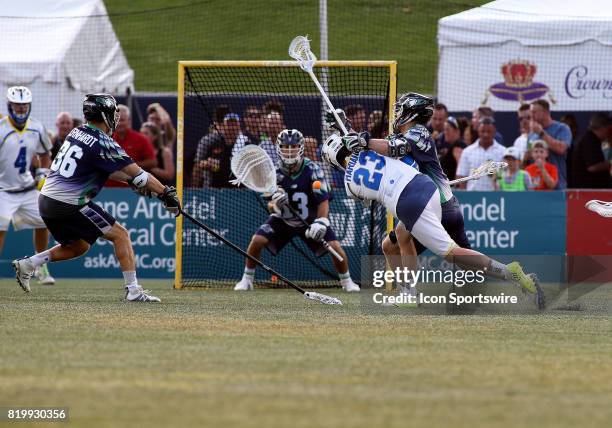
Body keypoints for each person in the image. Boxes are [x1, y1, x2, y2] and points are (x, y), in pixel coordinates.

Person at [321, 132, 543, 308]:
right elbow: (407, 162)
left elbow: (367, 200)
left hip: (408, 204)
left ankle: (509, 271)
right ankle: (408, 294)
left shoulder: (350, 185)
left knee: (452, 253)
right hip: (427, 186)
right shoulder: (374, 148)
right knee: (395, 240)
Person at [12, 94, 181, 302]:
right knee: (121, 235)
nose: (115, 118)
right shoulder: (103, 142)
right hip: (68, 203)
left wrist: (131, 181)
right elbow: (140, 174)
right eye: (112, 113)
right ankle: (133, 290)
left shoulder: (77, 132)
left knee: (79, 246)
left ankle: (29, 264)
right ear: (104, 114)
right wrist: (165, 193)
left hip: (47, 201)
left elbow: (105, 170)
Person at [327, 94, 472, 301]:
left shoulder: (418, 132)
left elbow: (391, 148)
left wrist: (361, 139)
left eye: (402, 109)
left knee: (462, 259)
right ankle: (409, 293)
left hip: (440, 206)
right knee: (392, 244)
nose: (397, 113)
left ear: (411, 113)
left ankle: (506, 277)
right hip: (426, 204)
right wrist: (345, 128)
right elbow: (373, 153)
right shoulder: (401, 136)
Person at [234, 129, 359, 292]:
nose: (290, 150)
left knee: (335, 247)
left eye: (293, 146)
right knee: (257, 241)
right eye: (285, 146)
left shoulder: (314, 170)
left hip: (310, 220)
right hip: (283, 219)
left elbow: (323, 200)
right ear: (279, 148)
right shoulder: (274, 173)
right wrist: (276, 205)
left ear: (300, 147)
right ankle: (247, 279)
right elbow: (270, 205)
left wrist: (321, 222)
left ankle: (347, 282)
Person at [0, 86, 55, 286]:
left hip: (27, 188)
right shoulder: (1, 129)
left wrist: (42, 173)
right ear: (9, 105)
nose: (21, 109)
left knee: (44, 222)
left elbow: (45, 153)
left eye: (24, 105)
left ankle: (39, 265)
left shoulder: (37, 127)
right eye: (17, 105)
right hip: (3, 190)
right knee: (0, 228)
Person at [107, 105, 157, 187]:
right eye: (116, 120)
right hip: (106, 190)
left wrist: (131, 166)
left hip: (133, 190)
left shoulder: (141, 139)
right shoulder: (104, 138)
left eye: (122, 120)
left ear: (129, 121)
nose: (119, 123)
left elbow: (153, 162)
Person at [528, 99, 572, 189]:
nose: (531, 116)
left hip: (557, 186)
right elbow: (529, 157)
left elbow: (561, 149)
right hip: (536, 189)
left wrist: (541, 133)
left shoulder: (562, 128)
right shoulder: (531, 134)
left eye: (534, 112)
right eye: (531, 112)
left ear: (545, 112)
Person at [455, 117, 506, 190]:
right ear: (478, 131)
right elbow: (461, 177)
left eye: (489, 131)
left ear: (494, 131)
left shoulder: (503, 152)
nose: (485, 134)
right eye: (483, 131)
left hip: (497, 199)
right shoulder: (467, 151)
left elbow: (507, 177)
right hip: (473, 199)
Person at [192, 113, 241, 187]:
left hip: (238, 190)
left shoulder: (244, 143)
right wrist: (194, 188)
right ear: (223, 127)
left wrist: (217, 165)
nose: (231, 127)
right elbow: (199, 164)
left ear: (239, 127)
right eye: (229, 124)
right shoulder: (212, 142)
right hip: (212, 188)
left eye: (234, 124)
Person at [571, 113, 611, 188]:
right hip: (588, 189)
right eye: (609, 129)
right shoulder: (590, 141)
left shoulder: (594, 140)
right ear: (603, 128)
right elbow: (592, 167)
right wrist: (610, 163)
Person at [439, 116, 467, 181]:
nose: (445, 132)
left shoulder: (458, 146)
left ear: (457, 131)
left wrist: (458, 188)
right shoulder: (454, 145)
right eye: (444, 129)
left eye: (447, 129)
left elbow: (461, 171)